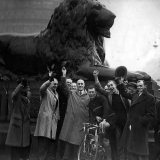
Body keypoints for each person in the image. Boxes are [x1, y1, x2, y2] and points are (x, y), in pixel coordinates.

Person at [93, 70, 130, 160]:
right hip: (116, 123)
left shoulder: (123, 95)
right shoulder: (109, 95)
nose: (110, 87)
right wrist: (96, 77)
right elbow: (99, 88)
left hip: (125, 122)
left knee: (126, 144)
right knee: (118, 144)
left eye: (111, 85)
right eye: (109, 86)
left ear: (115, 85)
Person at [117, 79, 156, 160]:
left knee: (142, 152)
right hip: (133, 127)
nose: (139, 88)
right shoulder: (134, 95)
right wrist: (120, 84)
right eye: (138, 86)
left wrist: (141, 122)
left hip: (141, 128)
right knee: (132, 151)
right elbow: (124, 94)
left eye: (141, 86)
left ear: (145, 86)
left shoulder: (150, 97)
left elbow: (151, 114)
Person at [59, 67, 90, 160]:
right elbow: (64, 86)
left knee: (77, 146)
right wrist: (64, 74)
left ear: (84, 85)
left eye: (81, 84)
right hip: (70, 123)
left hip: (80, 124)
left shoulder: (88, 97)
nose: (80, 85)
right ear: (76, 85)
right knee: (68, 145)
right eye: (78, 84)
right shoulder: (72, 93)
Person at [34, 71, 59, 160]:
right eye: (54, 83)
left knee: (48, 146)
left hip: (52, 123)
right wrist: (49, 79)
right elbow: (41, 88)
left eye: (57, 84)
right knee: (42, 145)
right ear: (50, 83)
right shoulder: (46, 92)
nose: (55, 85)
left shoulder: (56, 94)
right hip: (44, 123)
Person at [6, 78, 31, 160]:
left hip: (25, 128)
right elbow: (14, 94)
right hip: (16, 127)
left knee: (24, 153)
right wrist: (21, 85)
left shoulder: (27, 98)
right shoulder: (17, 97)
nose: (28, 88)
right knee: (15, 152)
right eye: (26, 86)